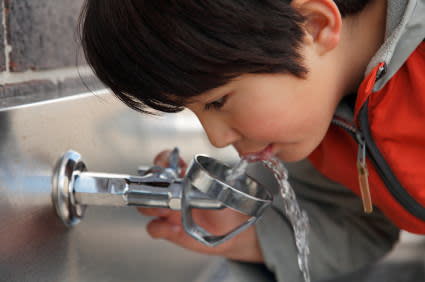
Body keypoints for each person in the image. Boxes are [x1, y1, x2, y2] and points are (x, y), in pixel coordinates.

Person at [79, 0, 425, 281]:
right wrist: (246, 235)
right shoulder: (325, 119)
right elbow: (361, 224)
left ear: (314, 26)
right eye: (195, 112)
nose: (216, 139)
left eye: (217, 102)